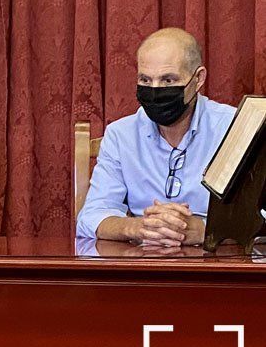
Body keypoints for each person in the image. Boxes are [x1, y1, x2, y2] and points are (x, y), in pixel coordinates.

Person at [76, 28, 236, 246]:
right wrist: (139, 227)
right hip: (143, 265)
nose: (155, 90)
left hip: (217, 267)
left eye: (168, 80)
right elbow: (91, 216)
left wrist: (206, 230)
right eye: (145, 80)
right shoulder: (120, 135)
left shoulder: (235, 127)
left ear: (198, 79)